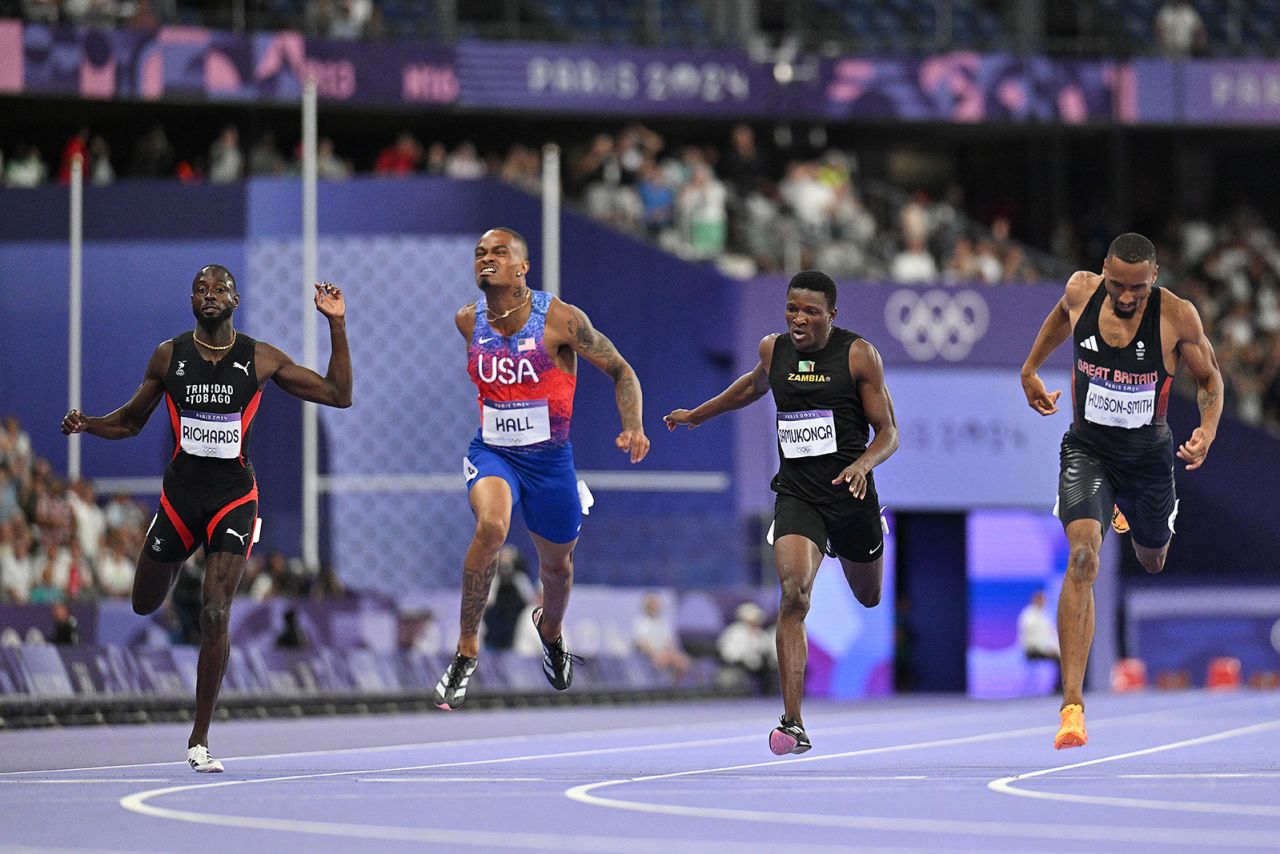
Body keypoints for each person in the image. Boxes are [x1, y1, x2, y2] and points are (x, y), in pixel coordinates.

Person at [61, 265, 352, 772]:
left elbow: (338, 394)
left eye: (219, 288)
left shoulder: (261, 358)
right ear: (191, 300)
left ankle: (199, 739)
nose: (209, 294)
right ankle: (177, 559)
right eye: (200, 288)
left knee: (215, 612)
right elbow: (130, 422)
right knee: (143, 603)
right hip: (179, 499)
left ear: (235, 299)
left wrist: (337, 325)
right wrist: (88, 423)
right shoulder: (168, 356)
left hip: (234, 499)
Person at [665, 269, 899, 755]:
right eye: (792, 307)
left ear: (832, 316)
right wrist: (696, 415)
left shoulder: (858, 355)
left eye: (810, 311)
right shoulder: (774, 349)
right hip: (797, 495)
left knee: (870, 596)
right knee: (792, 595)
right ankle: (793, 721)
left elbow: (888, 432)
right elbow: (751, 388)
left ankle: (862, 534)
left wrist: (862, 465)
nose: (798, 318)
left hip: (851, 494)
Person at [432, 227, 649, 710]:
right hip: (493, 452)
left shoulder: (561, 320)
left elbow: (621, 370)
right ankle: (467, 648)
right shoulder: (469, 321)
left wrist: (632, 425)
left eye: (499, 253)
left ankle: (550, 631)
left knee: (557, 568)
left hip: (551, 462)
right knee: (492, 526)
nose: (487, 260)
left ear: (522, 267)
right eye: (480, 254)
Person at [1020, 232, 1222, 750]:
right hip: (1088, 450)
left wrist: (1208, 429)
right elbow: (1062, 318)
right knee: (1083, 556)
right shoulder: (1081, 291)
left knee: (1153, 558)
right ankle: (1072, 707)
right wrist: (1030, 369)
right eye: (1116, 285)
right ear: (1102, 273)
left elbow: (1210, 380)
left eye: (1136, 287)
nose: (1125, 296)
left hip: (1150, 459)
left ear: (1154, 278)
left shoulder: (1178, 317)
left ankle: (1126, 515)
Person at [633, 592, 690, 682]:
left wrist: (671, 651)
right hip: (651, 654)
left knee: (683, 661)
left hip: (665, 652)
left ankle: (675, 685)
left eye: (657, 605)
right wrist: (654, 654)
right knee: (662, 660)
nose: (657, 608)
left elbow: (669, 640)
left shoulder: (663, 622)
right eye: (654, 605)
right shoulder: (641, 622)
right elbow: (642, 642)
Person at [1017, 589, 1061, 693]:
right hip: (1033, 649)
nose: (1044, 602)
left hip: (1045, 648)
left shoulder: (1044, 615)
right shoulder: (1028, 616)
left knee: (1064, 659)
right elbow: (1032, 639)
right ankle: (1058, 689)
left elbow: (1050, 636)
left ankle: (1060, 687)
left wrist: (1056, 648)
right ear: (1036, 600)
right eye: (1042, 599)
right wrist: (1047, 649)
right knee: (1059, 660)